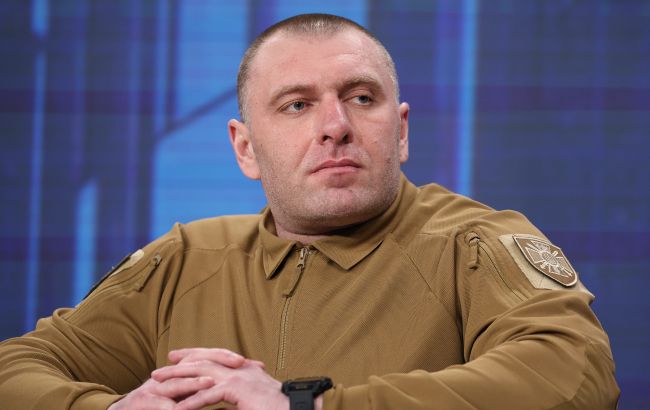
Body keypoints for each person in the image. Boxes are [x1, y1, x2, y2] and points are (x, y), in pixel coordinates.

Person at [0, 13, 619, 410]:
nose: (336, 126)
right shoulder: (186, 259)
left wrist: (308, 405)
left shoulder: (473, 241)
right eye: (296, 105)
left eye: (362, 97)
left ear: (401, 130)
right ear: (245, 147)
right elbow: (16, 367)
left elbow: (574, 375)